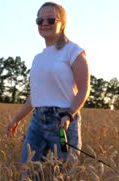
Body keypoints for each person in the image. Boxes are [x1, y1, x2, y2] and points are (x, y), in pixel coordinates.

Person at [6, 2, 90, 164]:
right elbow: (36, 96)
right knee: (28, 173)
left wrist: (69, 114)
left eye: (51, 20)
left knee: (64, 178)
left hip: (62, 121)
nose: (44, 23)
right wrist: (16, 119)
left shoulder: (74, 51)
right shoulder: (38, 58)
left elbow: (84, 89)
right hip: (37, 121)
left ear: (62, 23)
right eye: (39, 20)